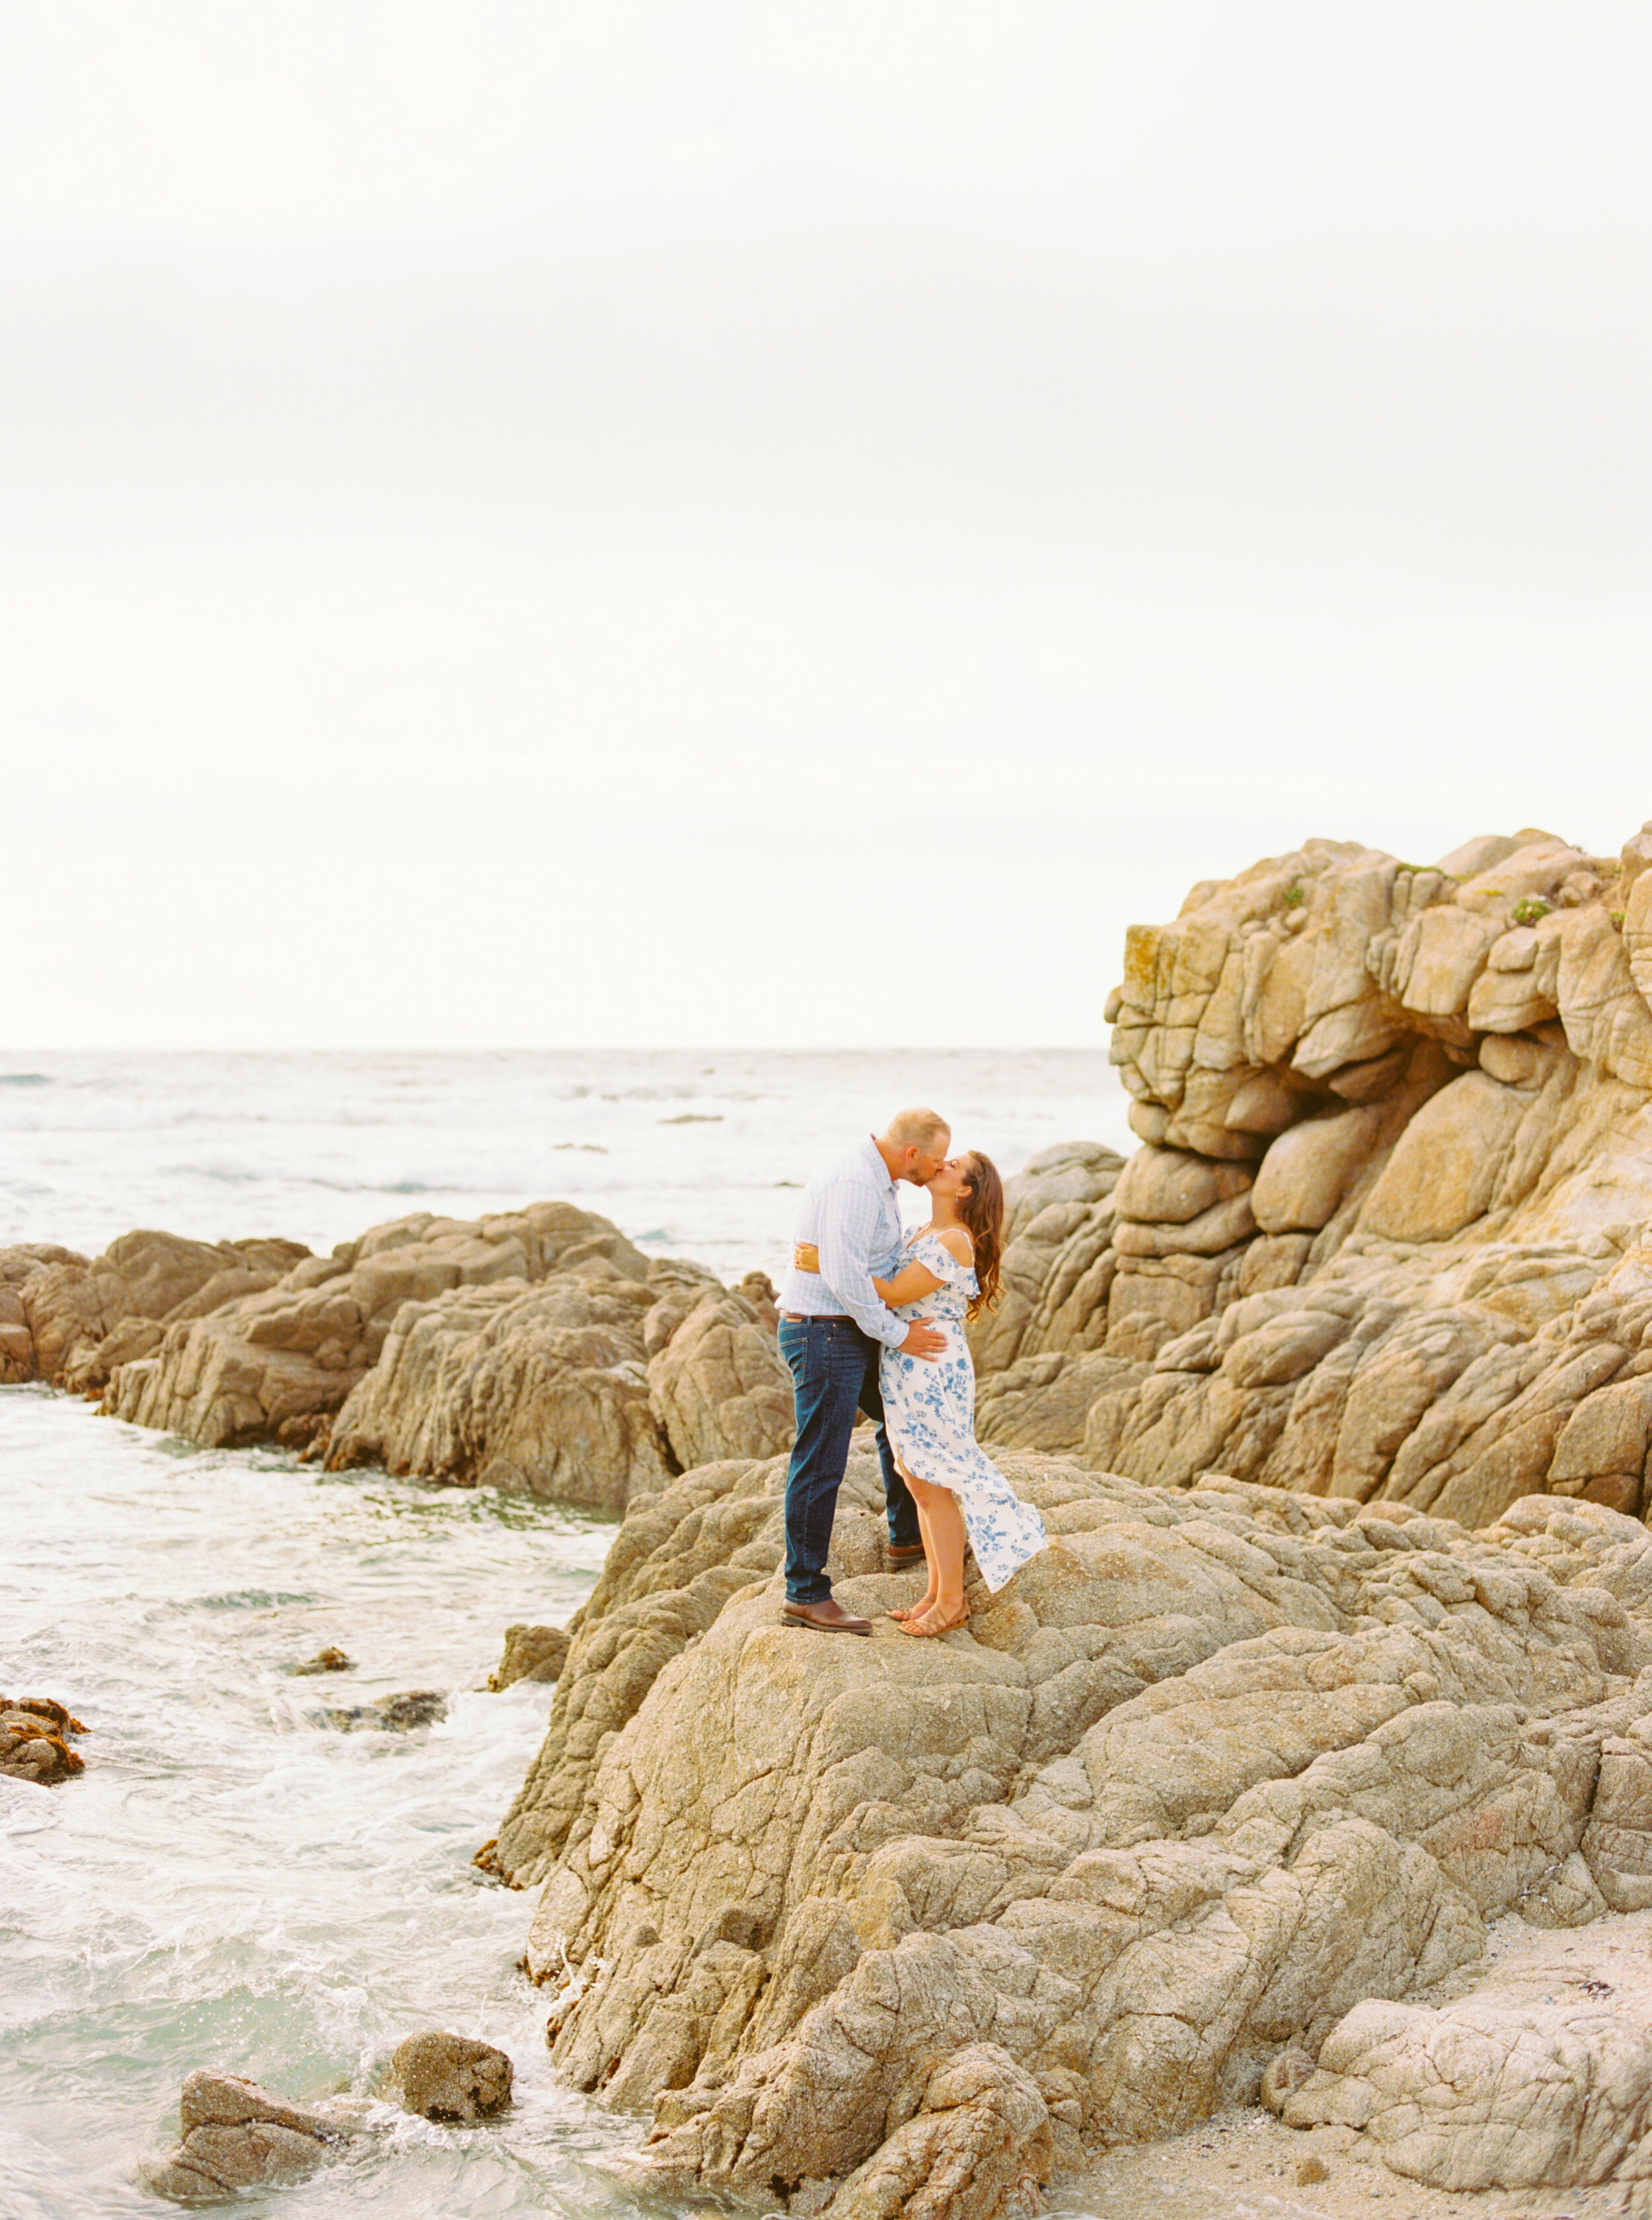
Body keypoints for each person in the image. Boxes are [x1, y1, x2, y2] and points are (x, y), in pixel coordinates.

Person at [794, 1149, 1046, 1637]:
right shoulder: (925, 1233)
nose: (944, 1164)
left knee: (933, 1483)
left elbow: (891, 1292)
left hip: (931, 1364)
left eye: (955, 1166)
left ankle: (952, 1602)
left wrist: (824, 1260)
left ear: (966, 1190)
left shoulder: (953, 1241)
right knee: (913, 1474)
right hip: (908, 1361)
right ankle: (935, 1591)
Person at [776, 1109, 952, 1635]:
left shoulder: (885, 1181)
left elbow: (870, 1263)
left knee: (899, 1422)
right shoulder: (857, 1181)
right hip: (823, 1330)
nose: (939, 1169)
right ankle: (804, 1593)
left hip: (848, 1327)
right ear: (912, 1154)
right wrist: (899, 1335)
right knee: (821, 1459)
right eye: (937, 1160)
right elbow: (848, 1278)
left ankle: (906, 1537)